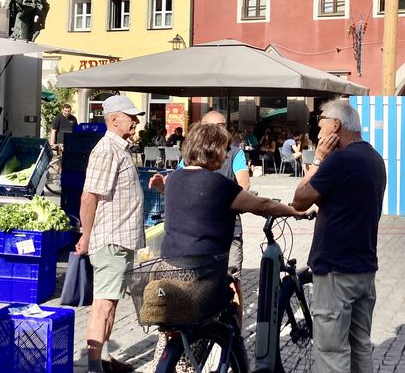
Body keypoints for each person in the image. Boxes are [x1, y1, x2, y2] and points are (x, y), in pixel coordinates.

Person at [149, 122, 305, 366]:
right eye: (224, 148)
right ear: (211, 150)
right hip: (200, 275)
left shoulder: (175, 178)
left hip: (167, 270)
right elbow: (262, 205)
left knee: (174, 333)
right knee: (199, 337)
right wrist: (295, 211)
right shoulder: (218, 185)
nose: (226, 154)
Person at [293, 100, 386, 373]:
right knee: (359, 347)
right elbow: (347, 200)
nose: (317, 130)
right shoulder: (373, 158)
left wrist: (319, 159)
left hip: (336, 270)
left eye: (320, 123)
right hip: (364, 268)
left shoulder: (340, 160)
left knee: (332, 352)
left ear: (336, 126)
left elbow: (300, 199)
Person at [150, 110, 250, 325]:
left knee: (232, 281)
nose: (219, 131)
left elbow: (244, 186)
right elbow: (179, 183)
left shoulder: (234, 152)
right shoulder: (191, 158)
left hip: (227, 230)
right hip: (195, 235)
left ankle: (235, 334)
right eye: (213, 127)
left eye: (223, 125)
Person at [76, 95, 146, 373]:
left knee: (111, 301)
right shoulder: (107, 150)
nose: (136, 121)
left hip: (121, 238)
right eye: (131, 117)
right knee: (103, 303)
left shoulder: (121, 148)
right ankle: (94, 366)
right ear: (114, 119)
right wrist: (87, 235)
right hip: (111, 238)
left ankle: (103, 359)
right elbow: (89, 196)